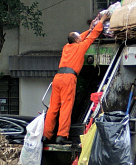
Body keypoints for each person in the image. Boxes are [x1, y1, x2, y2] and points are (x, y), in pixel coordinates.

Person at [43, 12, 110, 144]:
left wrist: (89, 29)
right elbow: (93, 36)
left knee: (53, 108)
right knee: (65, 107)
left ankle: (46, 135)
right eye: (80, 37)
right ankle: (62, 136)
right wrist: (102, 20)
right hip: (69, 78)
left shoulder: (66, 47)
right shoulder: (81, 47)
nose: (81, 38)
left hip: (57, 78)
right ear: (78, 40)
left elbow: (84, 36)